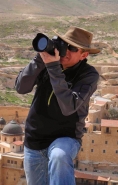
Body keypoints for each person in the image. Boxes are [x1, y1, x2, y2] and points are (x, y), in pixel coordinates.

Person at [15, 26, 100, 185]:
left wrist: (53, 68)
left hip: (65, 139)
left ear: (84, 54)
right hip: (35, 141)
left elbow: (69, 106)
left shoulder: (88, 75)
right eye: (63, 44)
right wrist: (40, 60)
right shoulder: (47, 64)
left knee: (59, 156)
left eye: (72, 48)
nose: (65, 51)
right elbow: (21, 88)